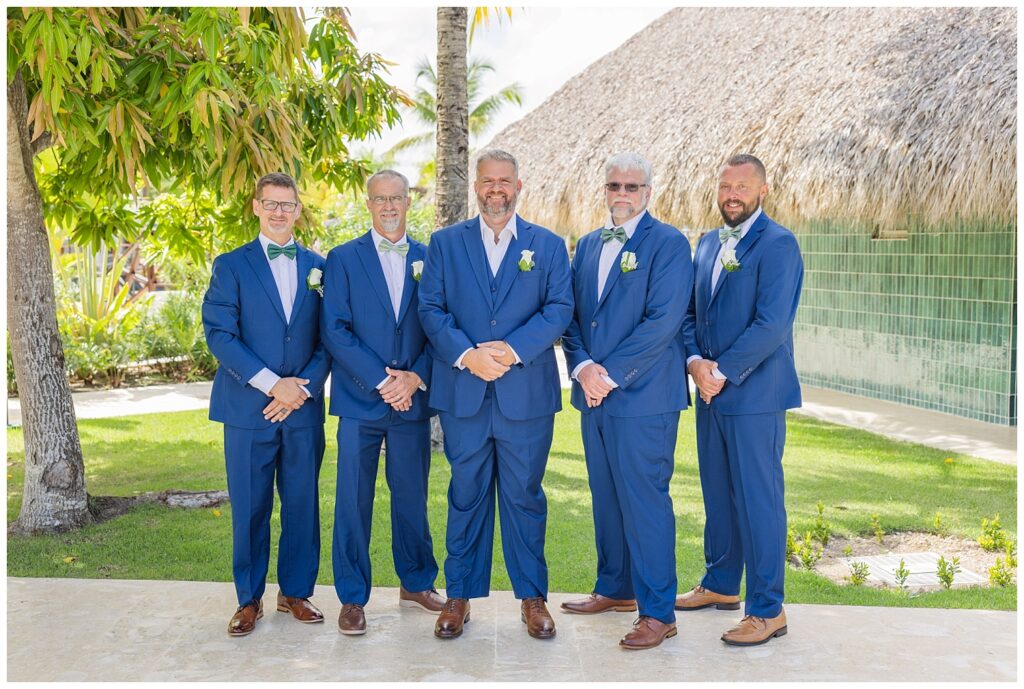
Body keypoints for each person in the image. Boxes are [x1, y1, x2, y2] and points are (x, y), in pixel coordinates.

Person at [417, 149, 573, 640]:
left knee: (525, 496)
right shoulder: (444, 244)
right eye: (488, 181)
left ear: (518, 186)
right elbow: (432, 308)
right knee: (465, 495)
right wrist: (468, 356)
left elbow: (559, 308)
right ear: (477, 188)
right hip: (463, 392)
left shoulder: (546, 246)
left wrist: (508, 350)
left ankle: (532, 598)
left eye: (504, 181)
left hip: (525, 395)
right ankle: (459, 596)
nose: (496, 189)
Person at [560, 152, 694, 650]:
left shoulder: (669, 244)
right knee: (607, 497)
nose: (622, 193)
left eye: (632, 187)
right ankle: (615, 587)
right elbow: (571, 316)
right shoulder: (590, 244)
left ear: (648, 193)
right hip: (593, 396)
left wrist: (609, 375)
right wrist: (582, 368)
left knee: (645, 502)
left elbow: (662, 322)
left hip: (644, 399)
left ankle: (658, 612)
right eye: (614, 185)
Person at [679, 153, 803, 646]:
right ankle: (721, 584)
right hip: (711, 393)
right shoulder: (709, 242)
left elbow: (772, 324)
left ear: (763, 190)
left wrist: (723, 371)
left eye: (742, 186)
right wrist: (695, 364)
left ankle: (768, 609)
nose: (732, 194)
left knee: (759, 499)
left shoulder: (778, 244)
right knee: (718, 492)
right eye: (725, 185)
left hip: (755, 395)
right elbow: (690, 314)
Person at [202, 172, 330, 636]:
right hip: (247, 410)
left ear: (298, 210)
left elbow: (329, 337)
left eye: (287, 205)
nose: (279, 212)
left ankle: (295, 592)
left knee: (301, 503)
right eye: (270, 204)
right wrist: (273, 385)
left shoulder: (320, 266)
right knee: (251, 506)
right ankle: (248, 599)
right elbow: (220, 334)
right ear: (256, 207)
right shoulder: (231, 265)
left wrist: (302, 387)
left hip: (303, 409)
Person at [320, 169, 445, 635]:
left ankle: (416, 581)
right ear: (368, 204)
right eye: (379, 199)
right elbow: (335, 329)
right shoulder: (343, 258)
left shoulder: (432, 258)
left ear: (408, 202)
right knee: (353, 500)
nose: (388, 206)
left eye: (396, 198)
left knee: (411, 496)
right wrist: (379, 380)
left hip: (411, 401)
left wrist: (415, 377)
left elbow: (441, 328)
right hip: (359, 401)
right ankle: (352, 597)